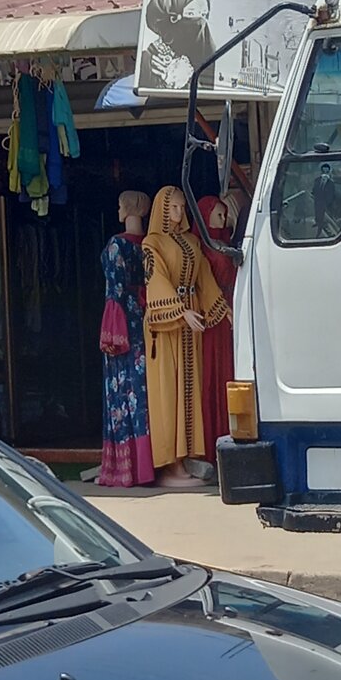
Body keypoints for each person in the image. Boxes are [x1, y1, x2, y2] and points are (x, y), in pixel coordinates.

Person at [142, 186, 231, 488]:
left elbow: (205, 278)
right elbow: (156, 281)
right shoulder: (152, 244)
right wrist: (180, 312)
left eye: (182, 208)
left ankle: (189, 457)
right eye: (174, 208)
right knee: (169, 391)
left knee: (189, 390)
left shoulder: (193, 241)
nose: (179, 213)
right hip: (167, 327)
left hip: (192, 321)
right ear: (162, 210)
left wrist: (223, 310)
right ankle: (171, 466)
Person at [98, 190, 154, 488]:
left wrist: (110, 330)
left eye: (121, 204)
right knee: (143, 390)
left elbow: (114, 291)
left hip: (123, 323)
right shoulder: (150, 244)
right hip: (146, 320)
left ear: (130, 208)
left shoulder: (117, 246)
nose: (118, 209)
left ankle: (124, 467)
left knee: (122, 390)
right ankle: (147, 464)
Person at [191, 196, 237, 465]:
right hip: (214, 318)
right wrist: (222, 309)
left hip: (232, 313)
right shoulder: (203, 247)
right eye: (217, 215)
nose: (222, 220)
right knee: (213, 376)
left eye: (224, 215)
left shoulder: (227, 244)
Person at [139, 0, 215, 92]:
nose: (200, 21)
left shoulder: (208, 58)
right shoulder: (147, 61)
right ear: (172, 18)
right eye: (191, 13)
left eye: (203, 14)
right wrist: (169, 83)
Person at [312, 163, 335, 237]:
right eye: (324, 168)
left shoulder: (331, 182)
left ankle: (321, 228)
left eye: (326, 168)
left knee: (323, 215)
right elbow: (314, 189)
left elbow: (331, 193)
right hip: (317, 200)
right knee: (317, 212)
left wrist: (328, 202)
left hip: (325, 202)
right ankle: (318, 223)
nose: (325, 170)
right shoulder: (317, 180)